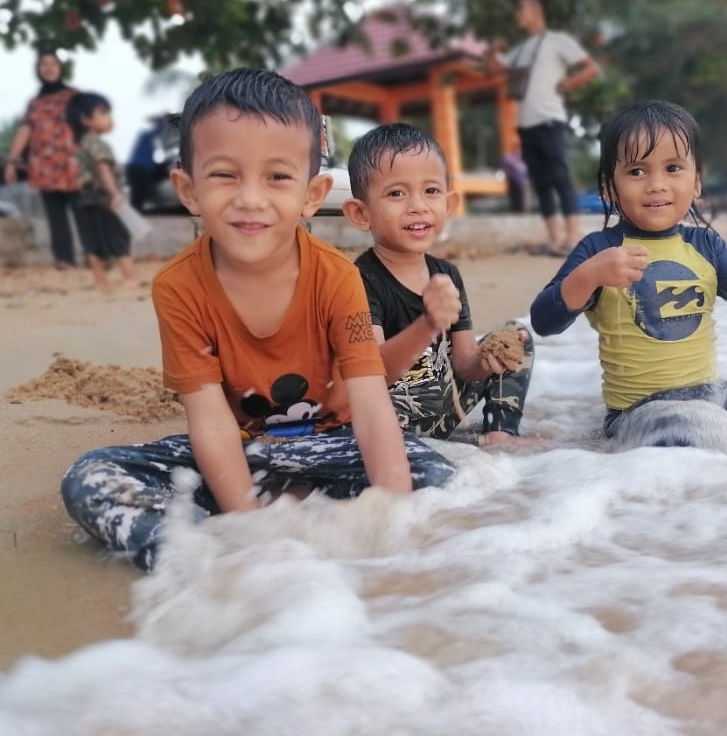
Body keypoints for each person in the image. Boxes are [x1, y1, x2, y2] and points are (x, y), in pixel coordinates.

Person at [61, 69, 454, 572]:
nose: (250, 198)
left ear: (312, 194)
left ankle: (299, 512)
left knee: (433, 474)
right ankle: (217, 557)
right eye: (225, 175)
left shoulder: (336, 277)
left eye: (277, 177)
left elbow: (372, 405)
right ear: (188, 187)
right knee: (91, 477)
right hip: (240, 454)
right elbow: (209, 421)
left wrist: (393, 519)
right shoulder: (178, 286)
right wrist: (250, 530)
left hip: (330, 447)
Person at [530, 99, 727, 456]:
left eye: (673, 168)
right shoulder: (600, 249)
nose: (657, 185)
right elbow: (543, 320)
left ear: (697, 183)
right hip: (636, 414)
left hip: (709, 393)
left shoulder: (706, 244)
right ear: (610, 188)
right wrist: (589, 275)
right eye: (638, 172)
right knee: (704, 435)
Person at [342, 122, 538, 448]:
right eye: (396, 193)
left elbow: (463, 366)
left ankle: (500, 433)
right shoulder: (359, 280)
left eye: (431, 191)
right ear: (361, 214)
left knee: (518, 336)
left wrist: (486, 361)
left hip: (446, 408)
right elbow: (373, 375)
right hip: (396, 418)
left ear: (449, 204)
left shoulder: (446, 274)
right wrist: (428, 324)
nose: (418, 205)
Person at [484, 0, 599, 256]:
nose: (517, 15)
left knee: (560, 177)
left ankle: (572, 239)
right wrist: (492, 50)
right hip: (527, 125)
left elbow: (591, 67)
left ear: (536, 11)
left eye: (521, 9)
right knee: (540, 183)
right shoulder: (521, 50)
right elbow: (492, 70)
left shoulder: (558, 41)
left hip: (550, 121)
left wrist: (568, 84)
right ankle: (555, 240)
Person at [2, 50, 81, 269]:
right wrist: (11, 161)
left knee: (83, 211)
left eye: (52, 63)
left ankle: (97, 257)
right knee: (56, 216)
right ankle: (64, 260)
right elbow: (25, 130)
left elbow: (88, 125)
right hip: (44, 167)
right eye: (43, 64)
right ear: (38, 70)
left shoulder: (74, 96)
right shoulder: (35, 103)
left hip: (72, 164)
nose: (48, 67)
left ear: (59, 67)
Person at [66, 92, 139, 290]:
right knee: (118, 237)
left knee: (92, 241)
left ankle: (100, 281)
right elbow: (103, 169)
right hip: (103, 199)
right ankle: (130, 277)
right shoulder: (98, 143)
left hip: (84, 199)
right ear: (85, 119)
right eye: (104, 113)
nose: (110, 119)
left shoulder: (80, 144)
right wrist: (115, 193)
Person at [125, 115, 167, 212]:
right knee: (138, 192)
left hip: (136, 168)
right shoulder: (147, 135)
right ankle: (135, 212)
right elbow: (158, 130)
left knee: (137, 192)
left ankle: (136, 210)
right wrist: (162, 122)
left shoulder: (146, 139)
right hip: (138, 168)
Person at [500, 145, 529, 213]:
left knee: (522, 196)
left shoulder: (523, 158)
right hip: (515, 181)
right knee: (517, 198)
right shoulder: (510, 158)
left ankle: (523, 210)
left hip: (521, 182)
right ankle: (518, 209)